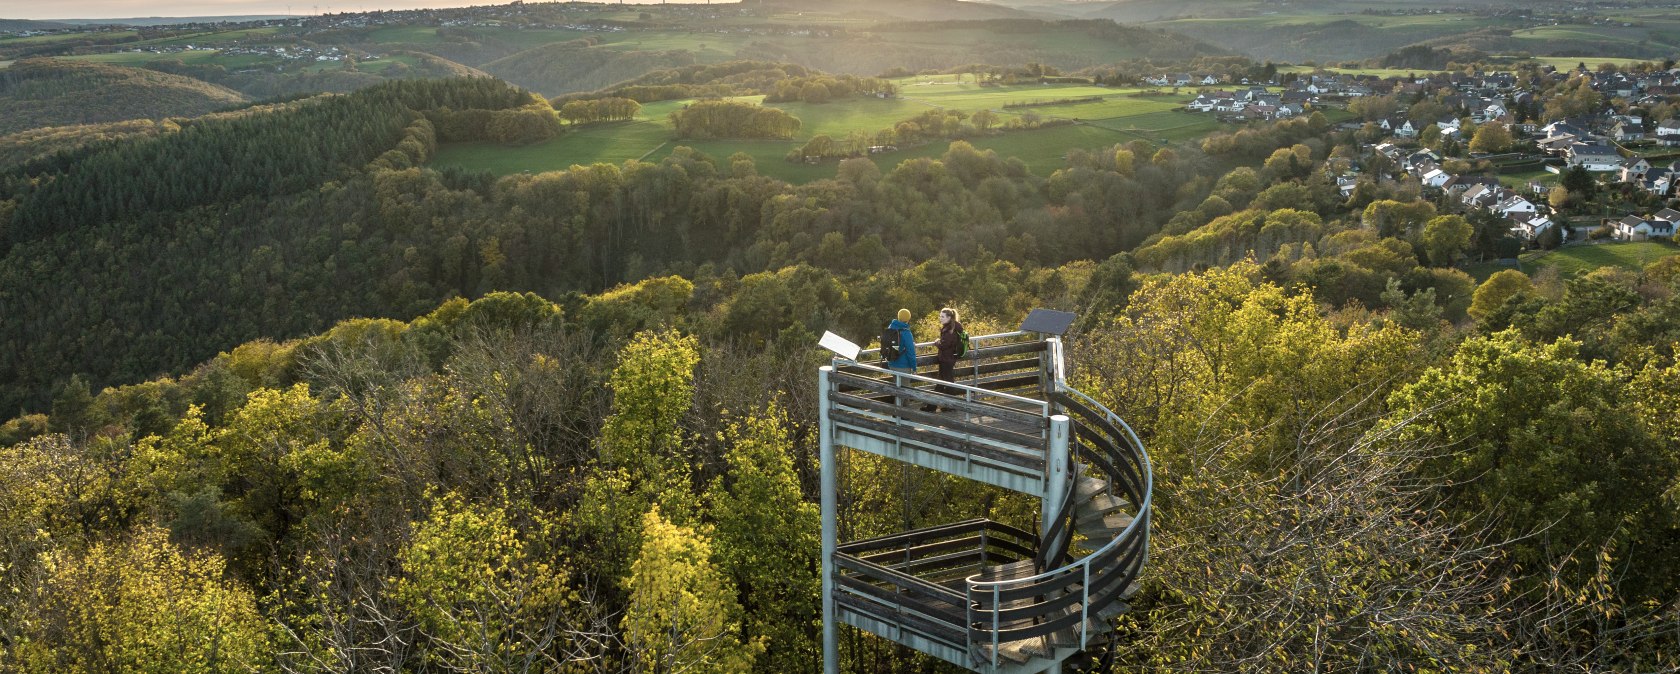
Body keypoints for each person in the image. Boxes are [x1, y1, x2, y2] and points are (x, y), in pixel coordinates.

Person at [924, 307, 963, 412]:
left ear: (949, 317)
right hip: (948, 359)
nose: (940, 318)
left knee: (946, 383)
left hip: (946, 360)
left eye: (942, 317)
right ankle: (937, 406)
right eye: (940, 316)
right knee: (944, 383)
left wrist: (937, 341)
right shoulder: (952, 327)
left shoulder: (950, 329)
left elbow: (944, 345)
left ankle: (945, 406)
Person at [884, 308, 917, 405]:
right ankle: (897, 416)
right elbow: (911, 353)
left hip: (892, 363)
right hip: (903, 366)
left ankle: (904, 415)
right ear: (908, 319)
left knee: (901, 389)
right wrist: (914, 367)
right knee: (903, 392)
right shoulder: (906, 332)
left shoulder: (891, 327)